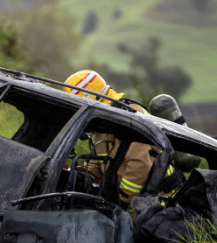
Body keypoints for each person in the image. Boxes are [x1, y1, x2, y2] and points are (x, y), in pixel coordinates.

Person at [63, 70, 184, 217]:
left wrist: (121, 200)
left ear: (90, 97)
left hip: (158, 200)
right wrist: (78, 175)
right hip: (130, 199)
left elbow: (139, 164)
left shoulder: (132, 118)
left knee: (136, 234)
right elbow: (98, 162)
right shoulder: (102, 125)